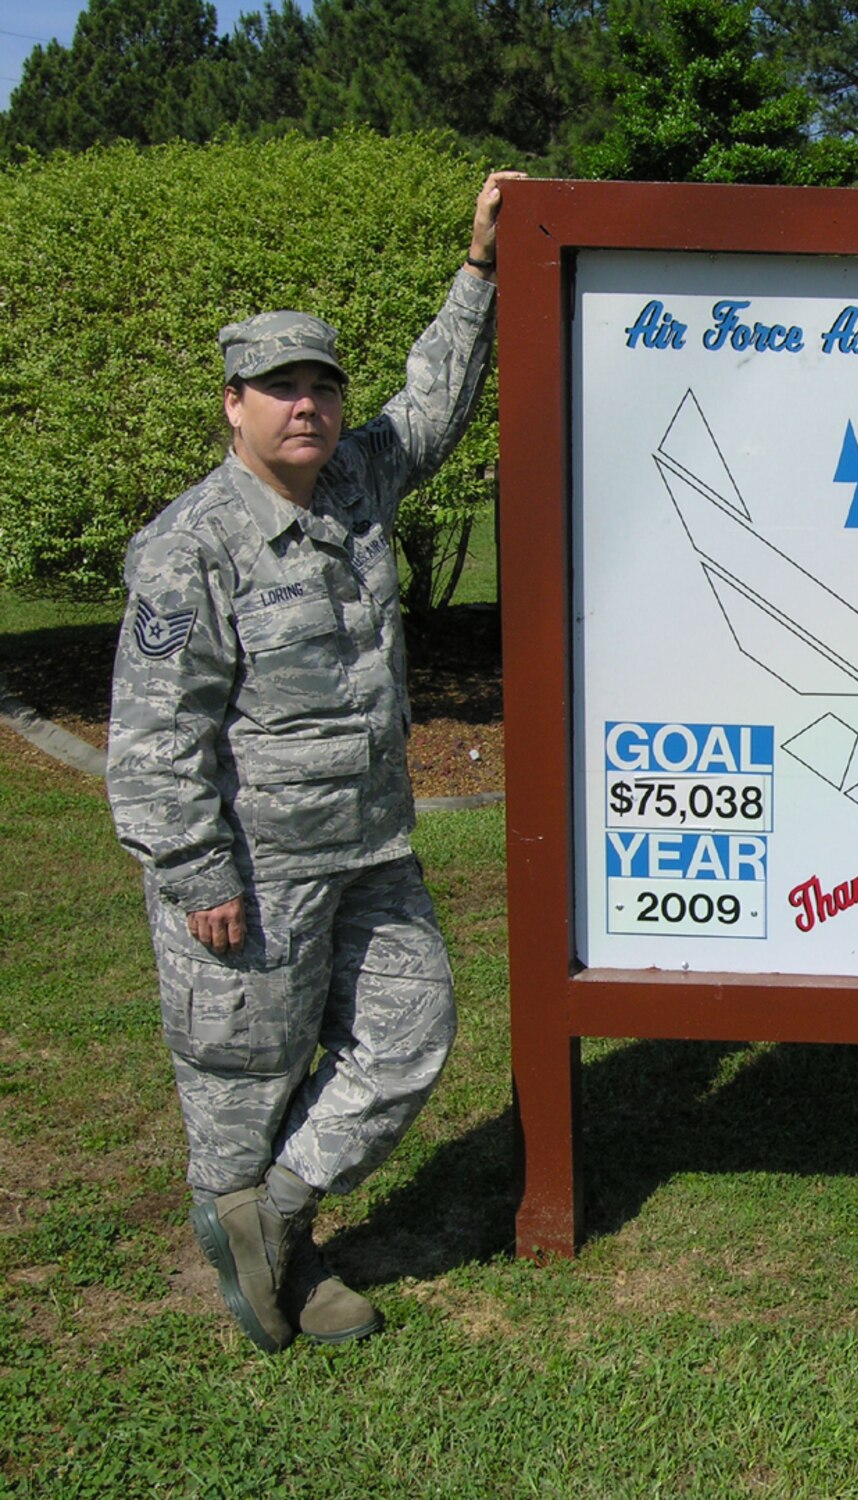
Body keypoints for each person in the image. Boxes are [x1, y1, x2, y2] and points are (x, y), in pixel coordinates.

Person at [107, 170, 523, 1353]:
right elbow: (151, 735)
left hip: (370, 845)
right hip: (253, 868)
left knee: (410, 1031)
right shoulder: (189, 548)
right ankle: (272, 1259)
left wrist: (480, 266)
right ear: (231, 406)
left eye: (320, 387)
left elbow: (433, 401)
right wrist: (198, 877)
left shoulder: (354, 484)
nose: (306, 406)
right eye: (279, 388)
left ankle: (275, 1220)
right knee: (245, 1075)